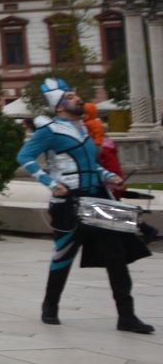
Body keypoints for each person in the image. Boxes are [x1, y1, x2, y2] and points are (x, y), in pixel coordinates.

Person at [20, 78, 151, 332]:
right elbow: (24, 156)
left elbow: (91, 165)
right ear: (59, 106)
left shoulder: (84, 130)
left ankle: (127, 316)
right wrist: (49, 182)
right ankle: (50, 306)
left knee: (117, 255)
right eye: (70, 96)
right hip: (68, 201)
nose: (78, 98)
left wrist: (108, 176)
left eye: (76, 95)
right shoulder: (49, 129)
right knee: (64, 254)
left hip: (97, 199)